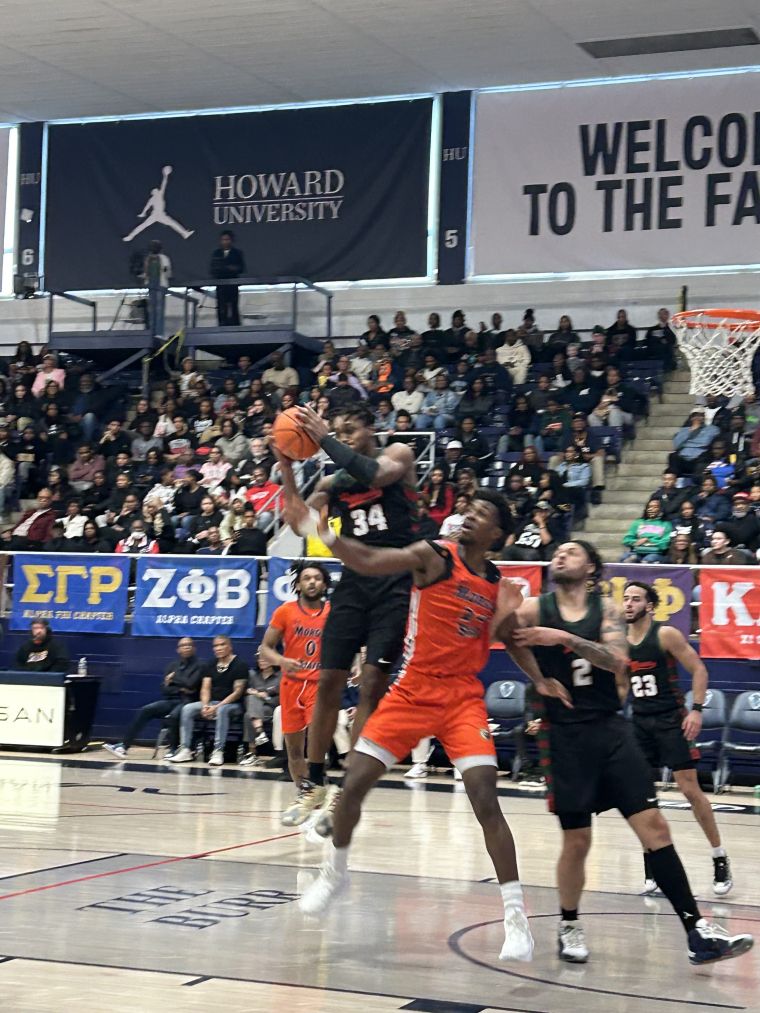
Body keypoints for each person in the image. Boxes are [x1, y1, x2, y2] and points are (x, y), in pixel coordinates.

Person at [297, 491, 573, 962]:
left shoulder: (496, 584)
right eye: (470, 509)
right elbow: (369, 557)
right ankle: (335, 872)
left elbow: (510, 638)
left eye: (484, 514)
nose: (470, 515)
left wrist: (540, 679)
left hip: (462, 696)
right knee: (355, 784)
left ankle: (515, 919)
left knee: (486, 798)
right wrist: (327, 536)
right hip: (412, 690)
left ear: (498, 536)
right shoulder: (434, 555)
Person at [507, 540, 753, 966]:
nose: (561, 556)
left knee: (656, 828)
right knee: (578, 840)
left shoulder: (607, 612)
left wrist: (562, 637)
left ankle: (697, 932)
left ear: (592, 567)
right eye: (559, 552)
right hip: (564, 735)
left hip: (611, 730)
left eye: (572, 552)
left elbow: (617, 662)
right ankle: (569, 925)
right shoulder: (533, 607)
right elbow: (503, 633)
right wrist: (537, 677)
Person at [277, 404, 417, 832]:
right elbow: (299, 523)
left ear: (371, 428)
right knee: (329, 682)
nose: (344, 436)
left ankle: (348, 786)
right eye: (338, 430)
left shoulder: (399, 454)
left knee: (372, 681)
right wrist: (285, 466)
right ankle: (314, 783)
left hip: (395, 581)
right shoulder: (332, 481)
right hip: (354, 584)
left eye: (350, 429)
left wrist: (323, 438)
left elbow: (374, 476)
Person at [622, 582, 733, 897]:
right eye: (626, 598)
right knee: (642, 797)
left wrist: (696, 711)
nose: (629, 604)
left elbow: (699, 670)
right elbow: (620, 684)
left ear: (650, 605)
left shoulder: (664, 634)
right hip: (639, 723)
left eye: (636, 599)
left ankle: (719, 856)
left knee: (689, 789)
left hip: (672, 720)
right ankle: (652, 863)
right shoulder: (619, 642)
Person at [259, 562, 331, 785]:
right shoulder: (285, 611)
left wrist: (356, 663)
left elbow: (351, 644)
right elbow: (265, 648)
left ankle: (320, 789)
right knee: (294, 751)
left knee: (318, 747)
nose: (312, 582)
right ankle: (305, 796)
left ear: (325, 584)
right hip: (291, 685)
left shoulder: (333, 612)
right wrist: (282, 660)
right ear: (298, 584)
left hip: (318, 685)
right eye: (307, 578)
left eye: (317, 578)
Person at [104, 638, 203, 758]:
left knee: (174, 716)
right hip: (171, 700)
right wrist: (180, 687)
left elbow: (191, 685)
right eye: (183, 645)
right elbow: (164, 689)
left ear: (194, 648)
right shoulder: (173, 665)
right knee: (146, 710)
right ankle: (123, 746)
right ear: (178, 649)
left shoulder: (200, 665)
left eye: (189, 645)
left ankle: (173, 749)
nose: (186, 647)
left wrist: (174, 679)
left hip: (188, 701)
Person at [171, 636, 248, 766]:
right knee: (188, 708)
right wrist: (205, 705)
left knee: (223, 710)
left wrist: (217, 707)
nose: (218, 648)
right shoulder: (210, 664)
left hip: (233, 705)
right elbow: (205, 688)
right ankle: (185, 749)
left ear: (229, 646)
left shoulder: (240, 665)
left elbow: (237, 692)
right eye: (215, 646)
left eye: (222, 645)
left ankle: (218, 751)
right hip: (213, 703)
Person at [209, 230, 246, 326]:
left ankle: (236, 325)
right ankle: (221, 325)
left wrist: (227, 267)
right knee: (221, 306)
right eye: (223, 239)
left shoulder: (237, 253)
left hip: (233, 285)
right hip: (221, 285)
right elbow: (213, 269)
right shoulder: (216, 253)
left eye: (227, 239)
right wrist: (226, 268)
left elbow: (241, 268)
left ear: (231, 240)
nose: (225, 242)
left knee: (233, 306)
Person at [143, 239, 171, 339]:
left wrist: (165, 270)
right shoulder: (148, 259)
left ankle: (159, 333)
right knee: (152, 309)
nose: (154, 248)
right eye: (152, 246)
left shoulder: (164, 258)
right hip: (151, 285)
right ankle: (151, 332)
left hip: (160, 284)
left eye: (156, 246)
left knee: (159, 309)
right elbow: (146, 273)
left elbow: (168, 273)